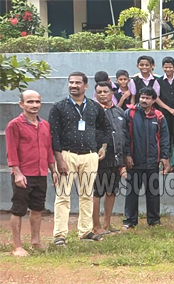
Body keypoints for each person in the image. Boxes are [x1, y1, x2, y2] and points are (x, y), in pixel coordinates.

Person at [49, 71, 113, 245]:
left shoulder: (94, 107)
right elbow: (53, 135)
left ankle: (85, 231)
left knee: (86, 195)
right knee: (63, 195)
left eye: (77, 83)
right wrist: (59, 159)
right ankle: (60, 235)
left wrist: (103, 147)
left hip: (89, 156)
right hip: (67, 155)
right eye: (71, 82)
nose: (73, 85)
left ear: (86, 86)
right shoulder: (59, 107)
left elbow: (106, 128)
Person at [6, 90, 58, 256]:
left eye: (37, 102)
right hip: (23, 175)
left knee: (37, 208)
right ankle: (17, 246)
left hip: (41, 173)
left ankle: (35, 241)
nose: (34, 105)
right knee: (18, 209)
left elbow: (48, 149)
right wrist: (18, 173)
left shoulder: (45, 125)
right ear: (22, 104)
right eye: (30, 102)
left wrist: (53, 170)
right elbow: (11, 151)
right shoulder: (14, 124)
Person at [123, 87, 170, 229]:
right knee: (132, 192)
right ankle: (130, 221)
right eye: (142, 97)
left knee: (153, 192)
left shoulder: (159, 116)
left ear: (154, 100)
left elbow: (164, 138)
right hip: (134, 161)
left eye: (148, 98)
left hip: (152, 161)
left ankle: (154, 220)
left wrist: (164, 157)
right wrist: (127, 155)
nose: (144, 100)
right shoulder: (129, 114)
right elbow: (125, 137)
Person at [92, 82, 127, 235]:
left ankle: (107, 223)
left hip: (117, 157)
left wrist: (125, 157)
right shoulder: (92, 112)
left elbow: (125, 134)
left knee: (112, 191)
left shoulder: (120, 112)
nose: (102, 94)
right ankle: (95, 225)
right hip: (100, 158)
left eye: (105, 91)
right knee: (97, 191)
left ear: (112, 93)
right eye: (99, 92)